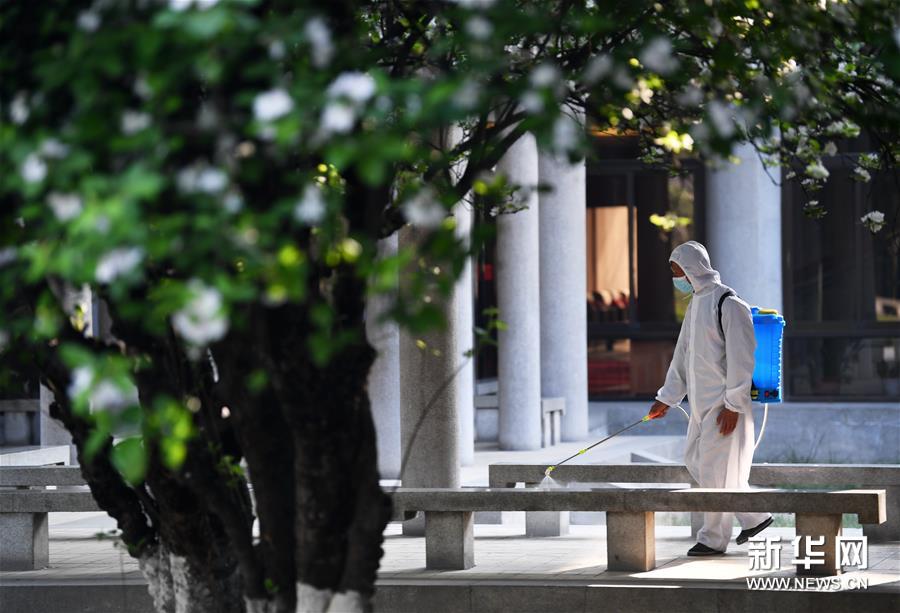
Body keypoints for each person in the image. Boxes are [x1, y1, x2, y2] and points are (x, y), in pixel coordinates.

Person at [647, 241, 772, 556]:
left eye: (676, 271)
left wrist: (733, 405)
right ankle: (754, 516)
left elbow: (743, 358)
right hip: (701, 408)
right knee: (695, 461)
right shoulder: (695, 304)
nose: (674, 278)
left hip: (725, 407)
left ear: (691, 269)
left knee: (716, 473)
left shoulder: (728, 303)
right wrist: (667, 398)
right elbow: (683, 358)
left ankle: (713, 539)